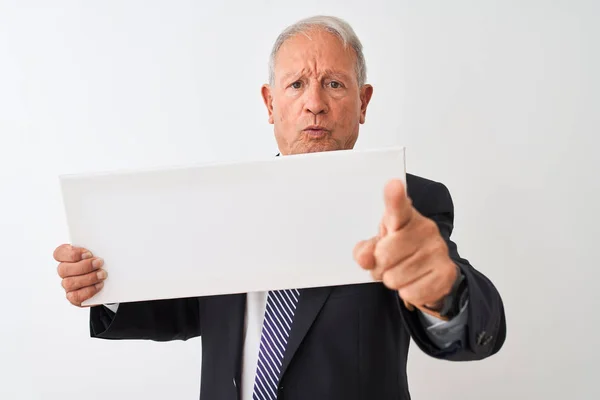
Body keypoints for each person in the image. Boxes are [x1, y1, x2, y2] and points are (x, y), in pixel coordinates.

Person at [54, 15, 506, 400]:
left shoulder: (410, 204)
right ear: (271, 104)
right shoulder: (221, 203)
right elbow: (190, 307)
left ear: (363, 103)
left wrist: (445, 290)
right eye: (296, 85)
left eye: (334, 84)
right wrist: (106, 285)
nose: (314, 104)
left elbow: (476, 329)